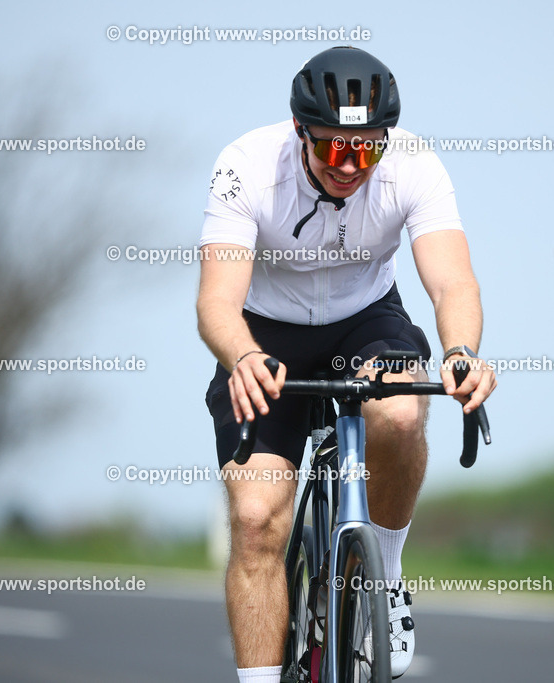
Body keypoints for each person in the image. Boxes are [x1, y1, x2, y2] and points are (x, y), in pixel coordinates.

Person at [197, 45, 496, 682]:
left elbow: (452, 284)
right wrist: (243, 356)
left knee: (398, 415)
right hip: (265, 333)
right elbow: (217, 303)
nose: (351, 166)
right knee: (255, 521)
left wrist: (462, 352)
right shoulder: (246, 165)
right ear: (301, 131)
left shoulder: (414, 164)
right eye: (335, 149)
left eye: (367, 150)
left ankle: (382, 580)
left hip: (365, 320)